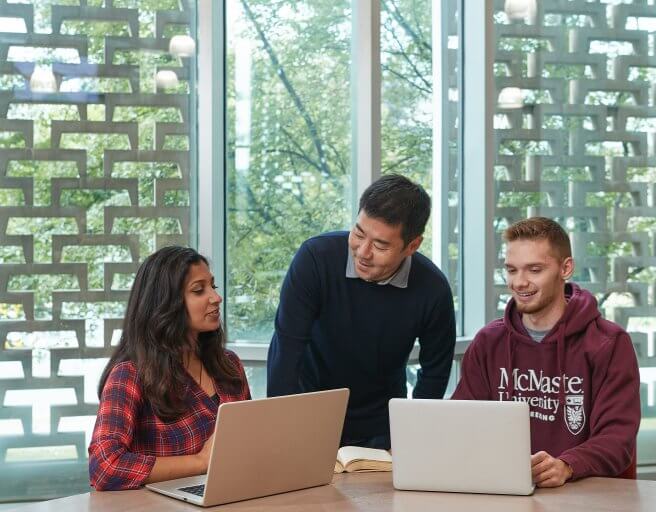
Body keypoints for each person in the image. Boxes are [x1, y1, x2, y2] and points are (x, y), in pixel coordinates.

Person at [267, 174, 456, 449]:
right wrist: (282, 429)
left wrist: (412, 437)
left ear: (412, 245)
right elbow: (286, 349)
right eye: (358, 233)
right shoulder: (315, 259)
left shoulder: (433, 289)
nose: (363, 252)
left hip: (382, 427)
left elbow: (434, 373)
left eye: (380, 245)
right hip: (309, 416)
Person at [452, 217, 640, 487]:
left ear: (566, 268)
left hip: (589, 497)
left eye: (534, 270)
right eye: (512, 270)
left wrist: (566, 465)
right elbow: (462, 424)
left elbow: (617, 439)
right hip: (504, 492)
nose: (519, 282)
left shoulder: (608, 343)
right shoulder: (489, 342)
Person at [88, 246, 251, 491]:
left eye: (213, 287)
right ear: (165, 304)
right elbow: (105, 467)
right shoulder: (130, 375)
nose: (216, 298)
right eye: (199, 290)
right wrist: (201, 461)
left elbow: (252, 440)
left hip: (235, 497)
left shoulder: (229, 365)